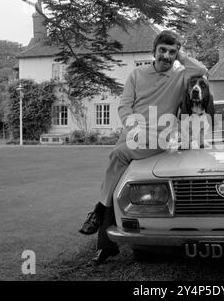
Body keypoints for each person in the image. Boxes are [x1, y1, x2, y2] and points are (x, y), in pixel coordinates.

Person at [79, 30, 207, 265]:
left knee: (117, 155)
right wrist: (134, 127)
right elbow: (124, 107)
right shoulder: (136, 74)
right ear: (154, 51)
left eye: (172, 52)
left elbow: (202, 71)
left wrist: (183, 55)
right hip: (132, 135)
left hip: (159, 139)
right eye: (163, 50)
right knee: (116, 181)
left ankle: (98, 211)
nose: (167, 56)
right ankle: (105, 247)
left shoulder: (180, 75)